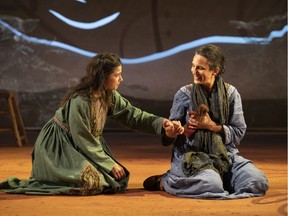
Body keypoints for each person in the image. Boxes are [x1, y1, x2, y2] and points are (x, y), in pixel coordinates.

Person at [0, 53, 182, 196]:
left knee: (113, 179)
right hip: (60, 147)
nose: (121, 79)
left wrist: (162, 124)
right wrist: (109, 163)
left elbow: (132, 116)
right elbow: (82, 138)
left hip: (83, 146)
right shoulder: (81, 101)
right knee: (93, 181)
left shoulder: (109, 95)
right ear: (103, 77)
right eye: (117, 75)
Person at [143, 44, 269, 199]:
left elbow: (238, 132)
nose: (194, 71)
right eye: (193, 66)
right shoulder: (184, 94)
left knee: (257, 182)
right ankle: (166, 181)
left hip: (225, 154)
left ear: (214, 71)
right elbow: (167, 139)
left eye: (200, 68)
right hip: (192, 155)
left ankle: (221, 178)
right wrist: (179, 131)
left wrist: (212, 126)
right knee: (210, 184)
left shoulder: (231, 94)